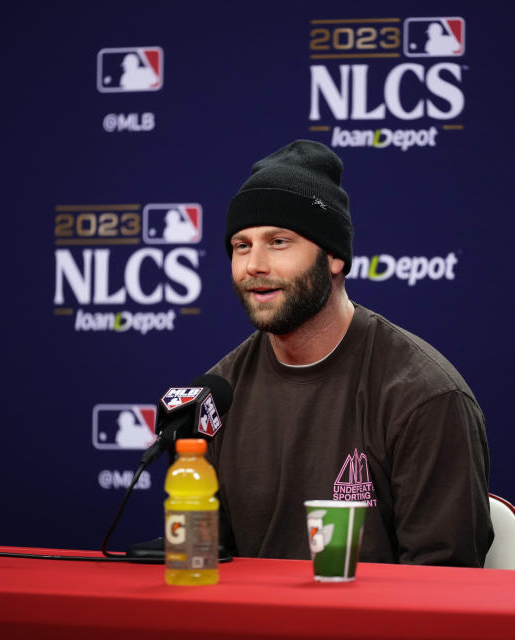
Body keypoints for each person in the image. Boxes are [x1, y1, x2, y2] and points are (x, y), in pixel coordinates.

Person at [206, 140, 493, 567]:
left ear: (334, 256)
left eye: (279, 242)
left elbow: (444, 589)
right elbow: (207, 564)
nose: (253, 265)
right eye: (241, 245)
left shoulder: (424, 396)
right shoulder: (218, 393)